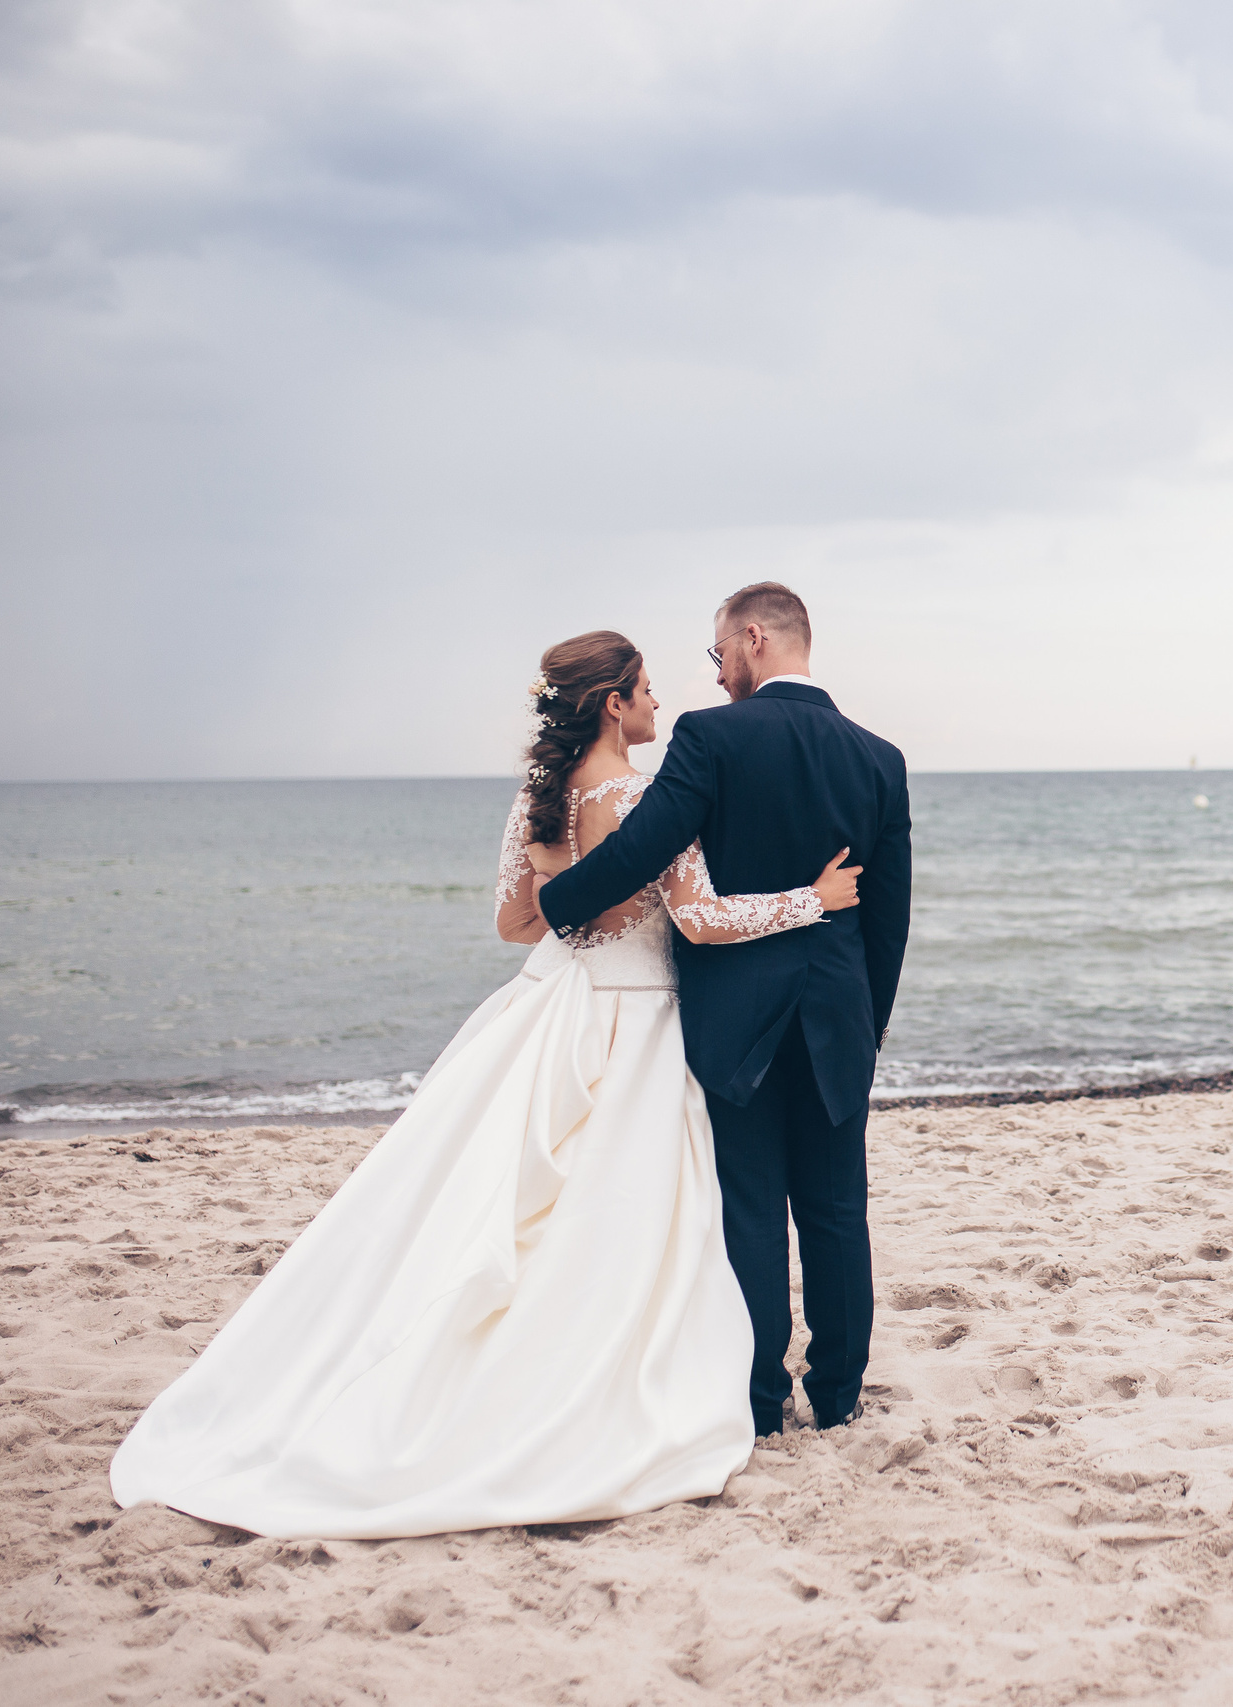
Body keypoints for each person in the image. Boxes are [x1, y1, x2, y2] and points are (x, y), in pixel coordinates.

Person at [108, 631, 859, 1539]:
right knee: (623, 1214)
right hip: (642, 1020)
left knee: (512, 1203)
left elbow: (515, 921)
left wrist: (578, 896)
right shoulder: (648, 799)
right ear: (615, 703)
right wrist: (813, 899)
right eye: (650, 691)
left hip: (557, 1007)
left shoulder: (539, 799)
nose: (661, 705)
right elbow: (699, 920)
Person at [535, 583, 911, 1437]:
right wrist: (867, 1026)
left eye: (718, 655)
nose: (716, 675)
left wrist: (562, 907)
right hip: (834, 1019)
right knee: (836, 1210)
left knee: (750, 1206)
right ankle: (842, 1395)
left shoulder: (712, 737)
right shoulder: (879, 758)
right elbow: (888, 917)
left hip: (736, 1018)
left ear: (753, 638)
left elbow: (645, 844)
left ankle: (759, 1400)